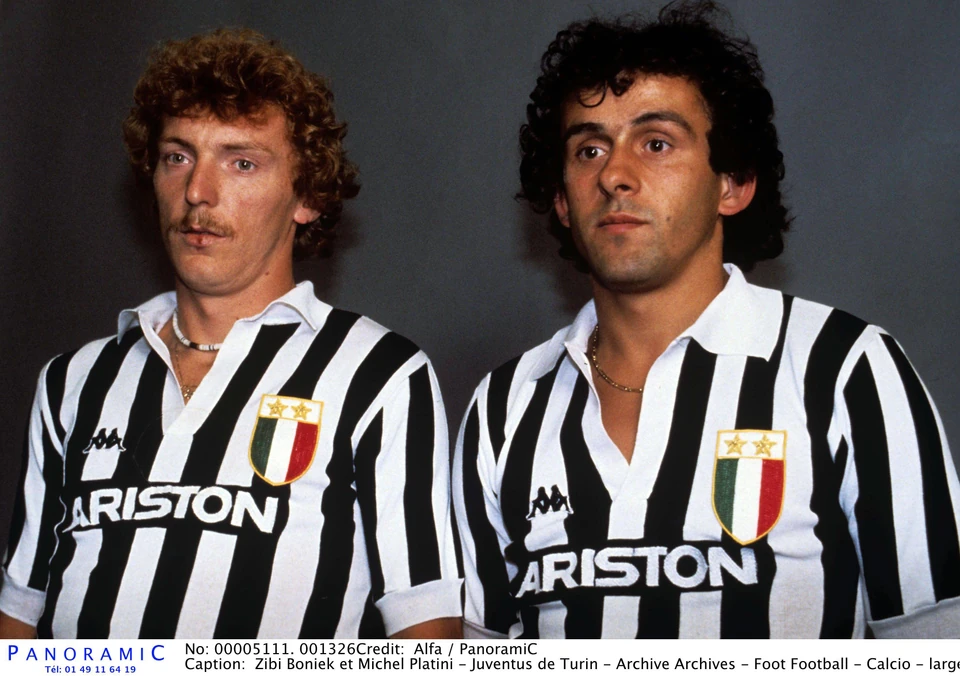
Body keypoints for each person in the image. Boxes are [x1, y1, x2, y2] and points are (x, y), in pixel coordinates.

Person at [453, 1, 960, 639]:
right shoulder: (504, 407)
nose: (614, 175)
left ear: (734, 183)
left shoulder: (845, 368)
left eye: (656, 143)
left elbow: (937, 638)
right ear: (559, 199)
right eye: (588, 149)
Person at [0, 28, 461, 639]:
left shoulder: (378, 375)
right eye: (178, 156)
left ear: (307, 196)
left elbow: (425, 629)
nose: (198, 192)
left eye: (241, 162)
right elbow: (19, 615)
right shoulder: (73, 381)